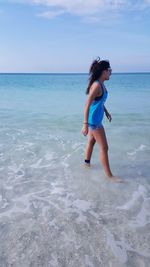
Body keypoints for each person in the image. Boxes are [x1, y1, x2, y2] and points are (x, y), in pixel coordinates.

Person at [81, 57, 123, 183]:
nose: (111, 73)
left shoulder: (101, 84)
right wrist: (85, 124)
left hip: (96, 119)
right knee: (104, 147)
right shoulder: (96, 86)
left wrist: (106, 111)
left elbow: (98, 102)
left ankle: (86, 164)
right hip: (94, 121)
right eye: (109, 70)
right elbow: (87, 104)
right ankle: (110, 176)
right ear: (103, 72)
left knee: (91, 143)